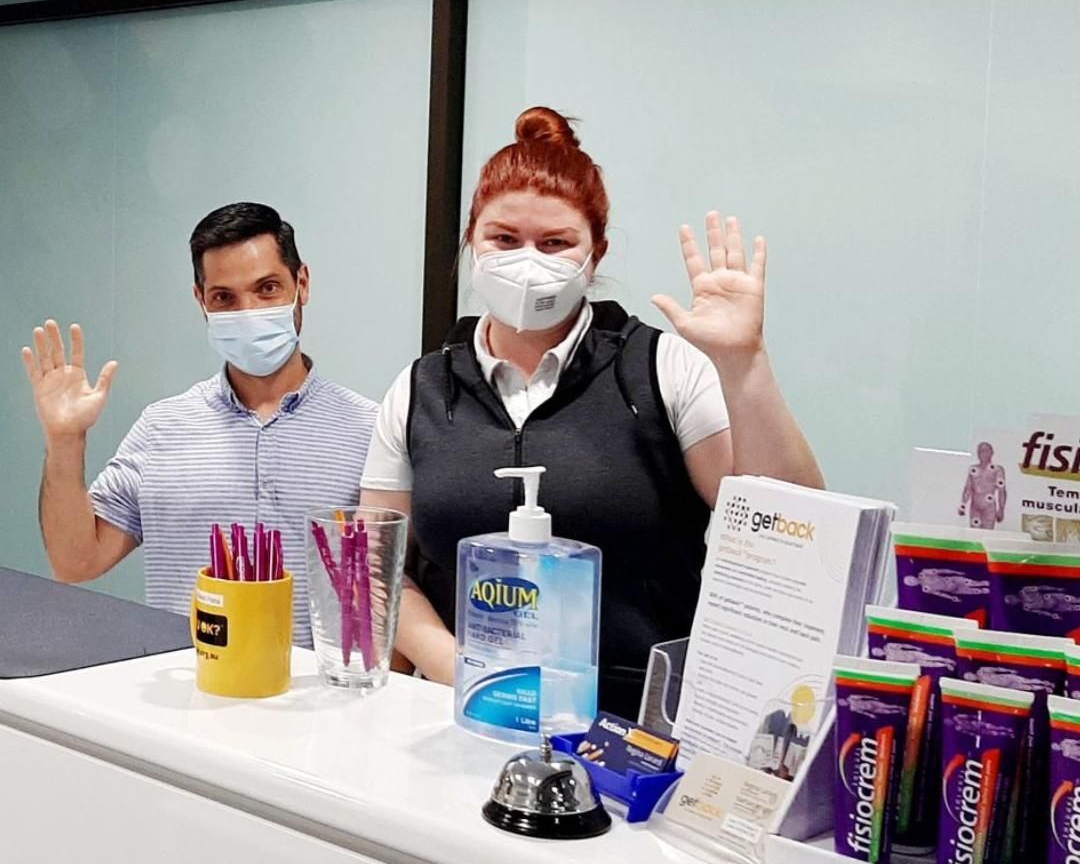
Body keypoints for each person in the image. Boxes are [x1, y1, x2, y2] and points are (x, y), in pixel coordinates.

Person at [361, 107, 823, 716]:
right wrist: (455, 667)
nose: (528, 261)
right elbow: (374, 563)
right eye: (503, 238)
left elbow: (792, 526)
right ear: (473, 239)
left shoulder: (662, 370)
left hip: (641, 729)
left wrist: (745, 364)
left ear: (595, 253)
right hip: (463, 711)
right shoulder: (422, 388)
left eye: (555, 243)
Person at [21, 202, 378, 644]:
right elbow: (75, 562)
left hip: (319, 702)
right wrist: (65, 440)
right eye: (224, 297)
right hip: (186, 700)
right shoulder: (162, 428)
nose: (247, 312)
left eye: (267, 288)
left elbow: (395, 596)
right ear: (200, 300)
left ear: (301, 283)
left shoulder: (369, 430)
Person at [959, 441, 1006, 530]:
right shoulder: (973, 469)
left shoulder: (997, 470)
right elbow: (968, 488)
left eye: (985, 451)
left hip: (989, 507)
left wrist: (1001, 509)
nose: (982, 454)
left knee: (987, 532)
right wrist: (963, 505)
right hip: (975, 506)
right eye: (980, 451)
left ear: (991, 452)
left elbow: (1002, 491)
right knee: (974, 533)